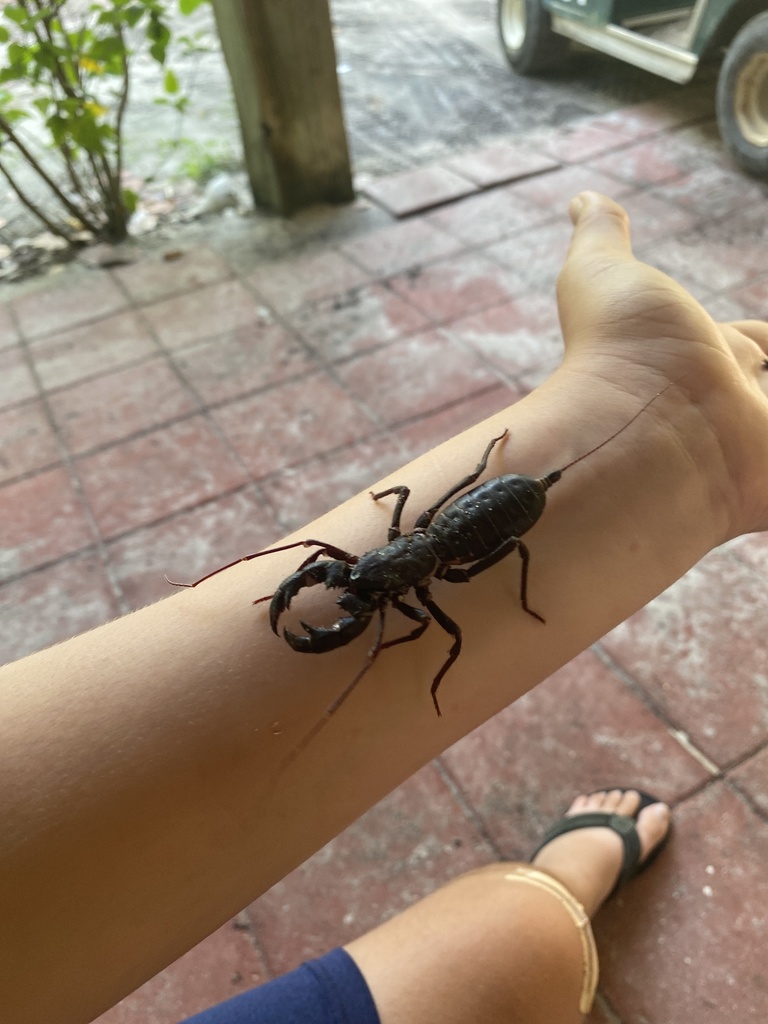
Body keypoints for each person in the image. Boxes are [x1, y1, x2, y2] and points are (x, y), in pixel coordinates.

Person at [1, 191, 767, 1024]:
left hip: (486, 516)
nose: (352, 582)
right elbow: (393, 523)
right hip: (455, 527)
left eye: (359, 583)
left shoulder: (403, 577)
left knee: (486, 556)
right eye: (358, 581)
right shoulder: (383, 569)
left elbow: (437, 558)